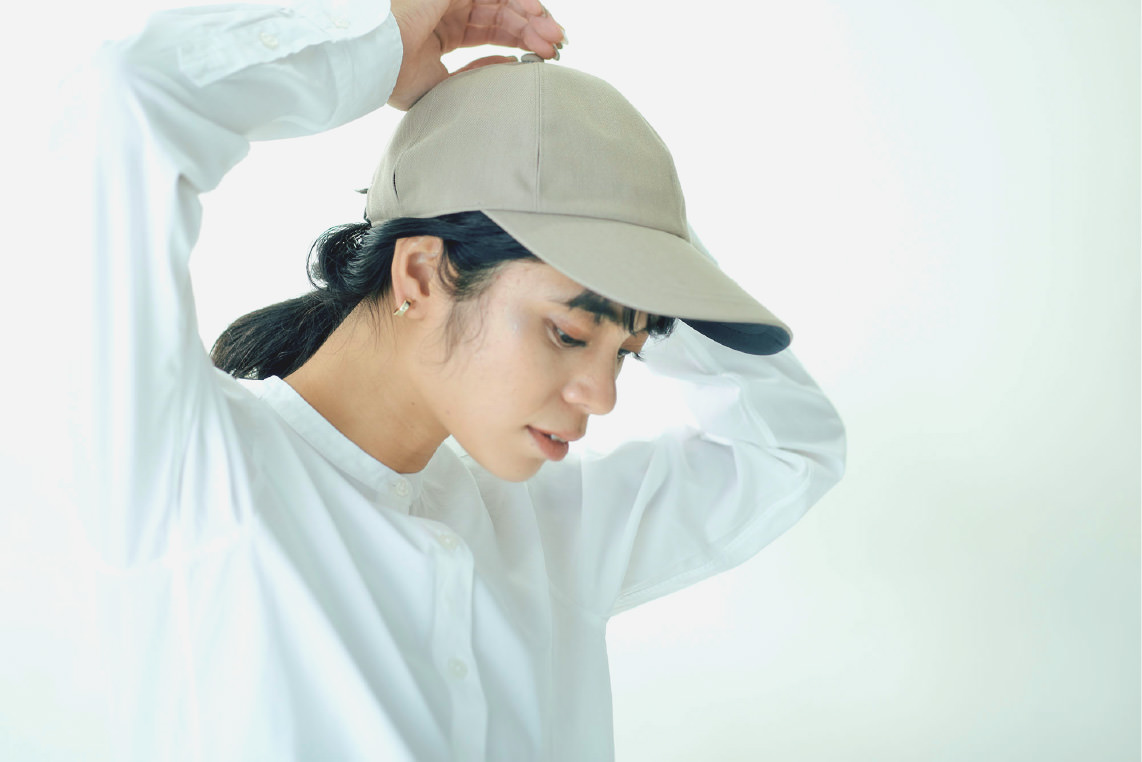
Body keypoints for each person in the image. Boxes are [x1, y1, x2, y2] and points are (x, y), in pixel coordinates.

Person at [51, 0, 846, 759]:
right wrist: (372, 47)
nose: (602, 398)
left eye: (626, 352)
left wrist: (627, 215)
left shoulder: (549, 534)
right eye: (570, 333)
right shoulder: (189, 474)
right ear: (420, 275)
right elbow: (130, 97)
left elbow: (788, 445)